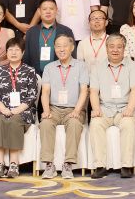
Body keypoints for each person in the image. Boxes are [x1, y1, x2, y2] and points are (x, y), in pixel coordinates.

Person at [87, 32, 135, 178]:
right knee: (95, 124)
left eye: (119, 47)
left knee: (128, 124)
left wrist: (130, 109)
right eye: (111, 46)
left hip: (125, 108)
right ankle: (100, 166)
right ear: (106, 48)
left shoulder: (132, 66)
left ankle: (126, 166)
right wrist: (96, 109)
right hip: (104, 108)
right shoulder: (97, 67)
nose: (115, 50)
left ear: (124, 49)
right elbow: (94, 91)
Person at [36, 34, 87, 178]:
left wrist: (77, 110)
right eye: (58, 46)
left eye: (65, 46)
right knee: (45, 123)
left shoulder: (81, 66)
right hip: (54, 108)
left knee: (74, 124)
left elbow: (84, 91)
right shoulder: (49, 67)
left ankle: (68, 164)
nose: (61, 49)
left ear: (72, 48)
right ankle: (49, 165)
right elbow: (45, 92)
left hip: (74, 108)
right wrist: (46, 110)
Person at [0, 39, 40, 178]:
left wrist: (16, 110)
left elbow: (32, 96)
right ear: (6, 52)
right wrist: (4, 109)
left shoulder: (30, 71)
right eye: (10, 49)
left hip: (23, 111)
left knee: (14, 120)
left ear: (23, 52)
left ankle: (13, 164)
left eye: (17, 49)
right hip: (2, 109)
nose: (13, 52)